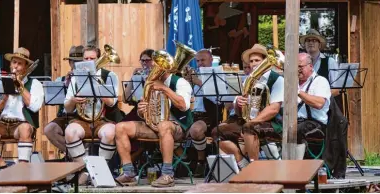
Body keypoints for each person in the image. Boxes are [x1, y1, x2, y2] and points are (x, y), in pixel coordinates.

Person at [114, 62, 193, 187]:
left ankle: (167, 174)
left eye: (157, 65)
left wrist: (164, 88)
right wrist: (141, 110)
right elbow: (144, 113)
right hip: (153, 124)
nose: (153, 68)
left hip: (176, 125)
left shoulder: (180, 82)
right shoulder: (149, 83)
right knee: (120, 127)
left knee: (164, 126)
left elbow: (183, 106)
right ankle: (128, 173)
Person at [211, 44, 284, 169]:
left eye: (257, 60)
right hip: (249, 122)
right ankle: (242, 162)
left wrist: (250, 123)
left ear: (266, 61)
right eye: (251, 61)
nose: (254, 63)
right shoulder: (248, 80)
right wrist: (239, 104)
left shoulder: (277, 79)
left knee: (249, 128)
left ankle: (254, 169)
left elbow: (274, 109)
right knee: (217, 132)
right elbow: (240, 113)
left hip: (273, 124)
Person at [0, 47, 44, 169]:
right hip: (1, 124)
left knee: (25, 129)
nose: (15, 66)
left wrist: (21, 87)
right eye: (14, 62)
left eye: (20, 63)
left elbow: (35, 107)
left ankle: (23, 169)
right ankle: (2, 167)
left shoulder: (35, 84)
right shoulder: (0, 82)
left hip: (21, 124)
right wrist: (5, 97)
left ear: (26, 67)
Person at [63, 45, 120, 184]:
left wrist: (98, 90)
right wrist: (73, 100)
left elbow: (112, 102)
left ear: (99, 59)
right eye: (86, 58)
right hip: (82, 118)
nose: (89, 61)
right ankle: (84, 170)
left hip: (102, 119)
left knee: (111, 132)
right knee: (70, 132)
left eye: (92, 59)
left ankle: (101, 171)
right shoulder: (76, 77)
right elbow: (67, 108)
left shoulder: (109, 76)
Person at [188, 49, 224, 177]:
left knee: (196, 130)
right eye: (197, 61)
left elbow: (218, 100)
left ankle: (201, 161)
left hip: (208, 115)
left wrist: (198, 82)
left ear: (211, 60)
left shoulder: (217, 75)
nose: (200, 63)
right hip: (191, 114)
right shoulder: (195, 75)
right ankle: (183, 165)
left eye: (202, 60)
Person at [44, 45, 84, 153]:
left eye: (78, 62)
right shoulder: (60, 80)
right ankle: (74, 155)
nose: (75, 65)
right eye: (73, 62)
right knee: (49, 130)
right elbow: (49, 100)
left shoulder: (88, 79)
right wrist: (65, 85)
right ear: (69, 63)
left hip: (82, 118)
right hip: (65, 116)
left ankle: (77, 156)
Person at [294, 53, 331, 159]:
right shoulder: (292, 81)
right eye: (295, 67)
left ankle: (297, 166)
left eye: (300, 66)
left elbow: (319, 104)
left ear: (310, 66)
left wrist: (297, 92)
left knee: (294, 130)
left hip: (315, 124)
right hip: (295, 122)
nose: (297, 70)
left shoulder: (320, 81)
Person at [300, 29, 339, 96]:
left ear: (319, 44)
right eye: (308, 40)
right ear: (304, 45)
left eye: (314, 40)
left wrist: (318, 99)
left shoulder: (330, 62)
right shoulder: (299, 62)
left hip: (324, 104)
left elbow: (337, 89)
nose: (311, 43)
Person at [122, 49, 155, 122]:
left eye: (147, 60)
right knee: (120, 126)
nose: (144, 63)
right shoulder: (139, 76)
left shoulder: (158, 77)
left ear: (154, 61)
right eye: (142, 60)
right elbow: (125, 99)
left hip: (153, 111)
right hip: (138, 110)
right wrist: (133, 77)